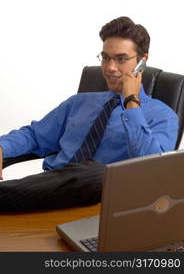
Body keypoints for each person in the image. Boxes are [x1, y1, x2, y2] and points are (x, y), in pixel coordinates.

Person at [0, 16, 178, 211]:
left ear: (142, 62)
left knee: (100, 173)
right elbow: (34, 135)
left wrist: (131, 102)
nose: (110, 67)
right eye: (106, 57)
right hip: (48, 187)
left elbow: (151, 169)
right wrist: (2, 147)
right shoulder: (79, 103)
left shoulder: (162, 115)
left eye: (121, 59)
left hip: (104, 203)